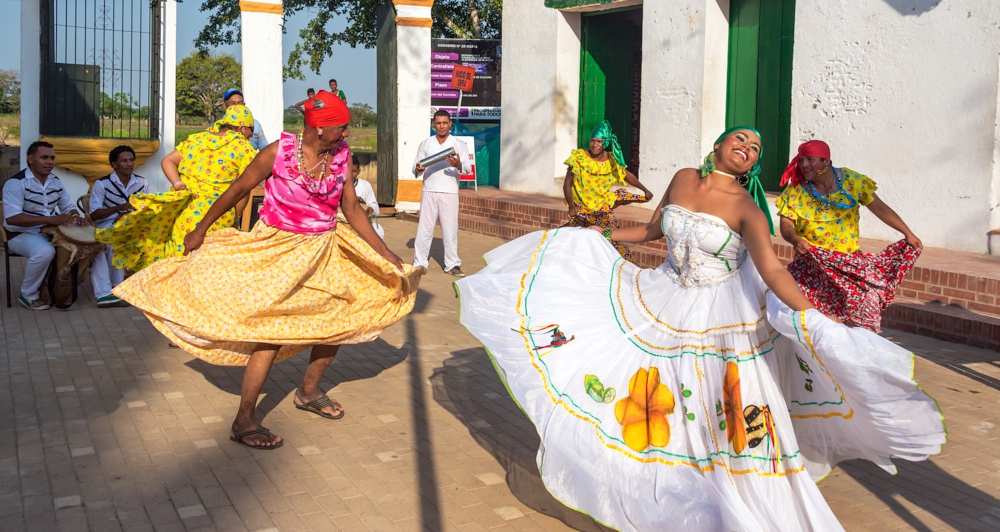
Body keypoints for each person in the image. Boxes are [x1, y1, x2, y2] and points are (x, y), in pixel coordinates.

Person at [454, 127, 945, 531]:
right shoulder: (684, 178)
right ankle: (644, 483)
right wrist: (598, 232)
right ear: (717, 146)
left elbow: (773, 271)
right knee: (646, 394)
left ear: (752, 164)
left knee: (709, 407)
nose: (748, 148)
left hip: (719, 317)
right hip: (663, 296)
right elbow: (650, 232)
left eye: (756, 148)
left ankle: (712, 496)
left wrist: (809, 316)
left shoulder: (749, 209)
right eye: (741, 139)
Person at [111, 90, 421, 450]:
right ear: (319, 129)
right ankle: (244, 420)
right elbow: (236, 189)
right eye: (341, 127)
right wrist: (200, 229)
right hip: (277, 251)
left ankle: (308, 391)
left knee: (343, 318)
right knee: (271, 333)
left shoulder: (341, 156)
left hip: (324, 250)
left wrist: (384, 251)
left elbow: (351, 208)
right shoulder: (277, 152)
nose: (347, 134)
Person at [776, 140, 922, 333]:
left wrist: (907, 233)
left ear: (826, 162)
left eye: (810, 159)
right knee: (812, 316)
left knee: (870, 295)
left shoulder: (852, 181)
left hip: (849, 261)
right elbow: (786, 225)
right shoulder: (795, 191)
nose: (804, 165)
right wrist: (795, 239)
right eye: (801, 160)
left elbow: (880, 208)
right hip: (812, 264)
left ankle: (860, 348)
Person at [96, 106, 257, 271]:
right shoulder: (243, 147)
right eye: (251, 129)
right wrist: (235, 217)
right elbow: (242, 191)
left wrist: (177, 183)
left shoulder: (198, 139)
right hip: (218, 215)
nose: (252, 135)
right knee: (210, 269)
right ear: (240, 127)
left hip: (184, 210)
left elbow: (167, 161)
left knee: (180, 262)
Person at [2, 141, 87, 310]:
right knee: (45, 251)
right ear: (31, 159)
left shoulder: (55, 181)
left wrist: (77, 216)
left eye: (52, 158)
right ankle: (28, 295)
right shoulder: (16, 183)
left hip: (49, 231)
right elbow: (12, 218)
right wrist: (49, 220)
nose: (50, 162)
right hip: (18, 235)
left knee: (88, 245)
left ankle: (60, 289)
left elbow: (68, 207)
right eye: (44, 157)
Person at [563, 120, 653, 260]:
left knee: (614, 241)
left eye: (599, 141)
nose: (594, 144)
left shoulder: (612, 160)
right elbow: (567, 183)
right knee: (567, 238)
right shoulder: (579, 158)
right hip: (582, 210)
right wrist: (571, 205)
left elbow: (626, 175)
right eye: (593, 140)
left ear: (605, 143)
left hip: (603, 211)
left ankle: (627, 268)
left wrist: (644, 190)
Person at [89, 146, 149, 307]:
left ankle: (135, 288)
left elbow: (147, 209)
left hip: (132, 226)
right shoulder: (102, 184)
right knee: (111, 245)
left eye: (131, 160)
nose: (129, 164)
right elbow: (94, 214)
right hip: (108, 226)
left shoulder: (142, 183)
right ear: (114, 164)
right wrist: (117, 208)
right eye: (124, 161)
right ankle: (113, 291)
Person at [412, 110, 470, 276]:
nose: (442, 126)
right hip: (429, 190)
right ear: (433, 124)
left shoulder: (459, 144)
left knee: (450, 228)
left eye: (445, 123)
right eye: (438, 123)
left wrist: (458, 164)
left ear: (450, 123)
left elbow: (466, 168)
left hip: (449, 191)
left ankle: (452, 264)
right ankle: (419, 263)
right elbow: (416, 167)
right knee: (424, 228)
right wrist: (417, 168)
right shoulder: (426, 144)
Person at [350, 154, 383, 239]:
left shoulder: (365, 185)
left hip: (362, 222)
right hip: (342, 223)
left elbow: (376, 210)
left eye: (353, 171)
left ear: (358, 171)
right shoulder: (338, 184)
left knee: (379, 231)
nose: (350, 174)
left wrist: (365, 203)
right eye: (348, 171)